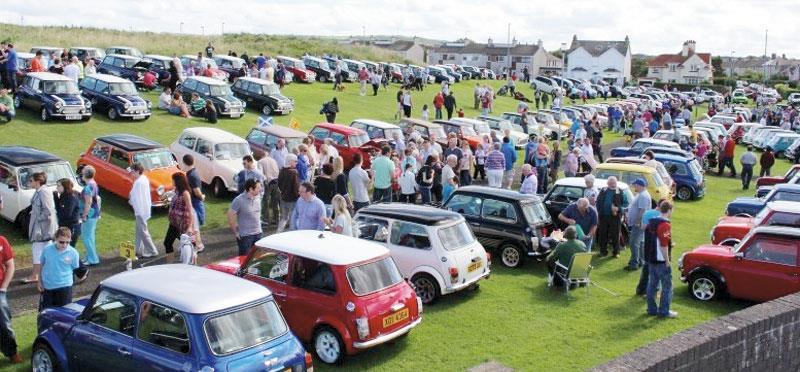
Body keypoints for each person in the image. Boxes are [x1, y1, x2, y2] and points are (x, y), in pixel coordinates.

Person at [645, 201, 676, 318]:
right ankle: (664, 311)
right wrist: (667, 261)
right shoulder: (665, 225)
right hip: (661, 260)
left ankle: (651, 309)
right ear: (669, 210)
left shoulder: (651, 222)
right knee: (667, 286)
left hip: (651, 258)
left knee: (652, 284)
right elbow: (663, 245)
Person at [36, 227, 80, 310]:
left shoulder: (73, 253)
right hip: (48, 286)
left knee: (64, 313)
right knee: (47, 312)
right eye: (61, 242)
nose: (64, 245)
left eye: (67, 242)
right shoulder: (47, 250)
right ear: (55, 239)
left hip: (65, 287)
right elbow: (41, 265)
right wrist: (39, 281)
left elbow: (74, 267)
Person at [129, 163, 158, 258]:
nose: (131, 173)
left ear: (137, 171)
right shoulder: (143, 179)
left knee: (143, 232)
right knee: (139, 231)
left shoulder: (139, 182)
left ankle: (152, 251)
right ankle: (138, 250)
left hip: (140, 210)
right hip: (142, 209)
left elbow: (136, 197)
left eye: (132, 171)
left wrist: (132, 201)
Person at [0, 234, 21, 363]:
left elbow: (10, 265)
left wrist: (3, 288)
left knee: (4, 325)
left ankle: (12, 353)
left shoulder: (2, 241)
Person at [228, 178, 263, 256]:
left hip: (258, 234)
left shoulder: (258, 197)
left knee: (258, 259)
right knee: (244, 260)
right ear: (251, 189)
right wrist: (235, 232)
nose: (260, 189)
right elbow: (230, 215)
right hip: (245, 237)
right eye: (258, 188)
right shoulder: (238, 200)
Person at [164, 172, 194, 262]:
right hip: (174, 223)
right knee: (169, 243)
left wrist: (190, 227)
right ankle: (170, 264)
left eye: (173, 180)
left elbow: (190, 210)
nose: (172, 182)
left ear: (177, 181)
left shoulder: (185, 193)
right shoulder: (176, 191)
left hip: (182, 224)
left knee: (170, 243)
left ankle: (191, 258)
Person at [595, 177, 627, 257]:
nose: (613, 184)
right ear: (608, 183)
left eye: (614, 183)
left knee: (615, 234)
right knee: (603, 234)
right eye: (611, 183)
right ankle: (603, 251)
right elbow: (598, 201)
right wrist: (599, 212)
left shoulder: (620, 192)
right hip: (603, 217)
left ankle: (616, 252)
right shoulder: (603, 190)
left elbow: (626, 205)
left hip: (615, 217)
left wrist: (618, 209)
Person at [625, 178, 652, 271]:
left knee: (633, 243)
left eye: (635, 185)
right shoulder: (641, 194)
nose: (634, 186)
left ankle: (634, 264)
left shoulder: (643, 196)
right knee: (640, 243)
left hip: (639, 224)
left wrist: (637, 222)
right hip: (641, 223)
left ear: (640, 185)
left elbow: (642, 210)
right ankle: (641, 261)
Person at [54, 178, 81, 248]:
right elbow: (60, 209)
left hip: (71, 227)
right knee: (62, 248)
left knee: (68, 248)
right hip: (65, 225)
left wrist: (57, 214)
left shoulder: (71, 197)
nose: (57, 188)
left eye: (59, 186)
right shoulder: (64, 195)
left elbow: (66, 214)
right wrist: (56, 199)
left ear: (65, 186)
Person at [277, 154, 300, 232]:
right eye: (295, 161)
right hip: (292, 199)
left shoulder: (282, 170)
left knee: (284, 218)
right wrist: (298, 196)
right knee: (293, 218)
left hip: (283, 197)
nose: (296, 163)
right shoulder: (294, 172)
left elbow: (279, 184)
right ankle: (292, 234)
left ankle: (278, 233)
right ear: (290, 161)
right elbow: (296, 187)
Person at [258, 149, 280, 226]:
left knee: (265, 201)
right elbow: (277, 170)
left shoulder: (260, 162)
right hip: (276, 181)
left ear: (261, 155)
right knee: (275, 201)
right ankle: (276, 219)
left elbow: (260, 174)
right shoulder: (273, 160)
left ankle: (266, 219)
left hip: (267, 182)